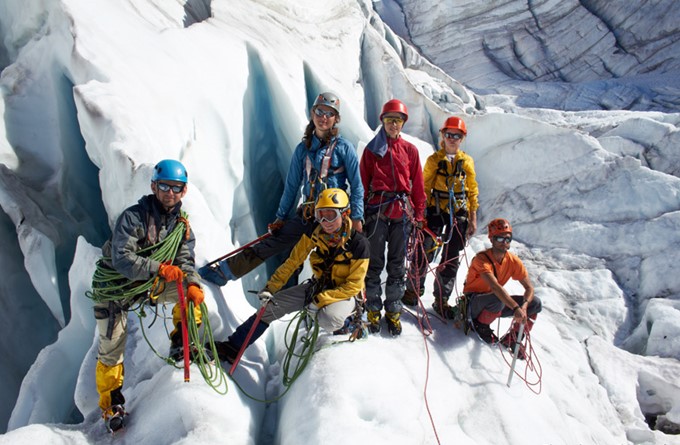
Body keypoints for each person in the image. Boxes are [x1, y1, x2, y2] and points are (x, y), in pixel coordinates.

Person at [199, 92, 364, 286]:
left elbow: (357, 185)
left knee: (339, 264)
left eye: (330, 113)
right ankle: (224, 272)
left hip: (335, 219)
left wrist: (356, 218)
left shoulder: (344, 148)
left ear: (336, 119)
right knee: (271, 244)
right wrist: (281, 217)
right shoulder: (302, 150)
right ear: (312, 113)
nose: (324, 118)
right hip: (309, 216)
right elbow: (292, 186)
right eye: (320, 111)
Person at [90, 159, 204, 431]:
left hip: (146, 286)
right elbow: (121, 258)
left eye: (176, 187)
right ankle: (112, 404)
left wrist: (192, 283)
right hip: (114, 290)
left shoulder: (181, 227)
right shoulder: (133, 217)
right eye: (164, 186)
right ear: (154, 186)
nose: (170, 192)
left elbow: (185, 260)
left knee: (188, 298)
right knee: (111, 349)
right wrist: (159, 269)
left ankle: (182, 344)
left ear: (184, 191)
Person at [212, 188, 369, 363]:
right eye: (320, 215)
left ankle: (351, 321)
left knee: (329, 318)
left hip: (346, 294)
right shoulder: (315, 233)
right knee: (270, 308)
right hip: (319, 286)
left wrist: (320, 300)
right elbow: (293, 261)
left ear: (345, 213)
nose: (325, 221)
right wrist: (271, 288)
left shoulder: (359, 244)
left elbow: (354, 285)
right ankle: (233, 347)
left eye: (330, 215)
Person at [359, 99, 426, 336]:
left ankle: (394, 311)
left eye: (397, 120)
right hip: (377, 211)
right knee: (374, 263)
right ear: (383, 122)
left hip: (401, 213)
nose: (393, 124)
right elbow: (362, 184)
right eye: (389, 120)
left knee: (397, 265)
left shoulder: (410, 151)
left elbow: (417, 184)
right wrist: (361, 213)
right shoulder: (371, 151)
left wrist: (419, 213)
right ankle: (374, 310)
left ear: (403, 123)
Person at [403, 116, 479, 318]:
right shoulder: (434, 161)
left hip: (459, 214)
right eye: (449, 134)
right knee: (423, 250)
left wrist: (473, 217)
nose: (452, 138)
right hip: (435, 212)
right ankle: (413, 290)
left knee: (451, 258)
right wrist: (420, 214)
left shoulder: (467, 162)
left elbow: (472, 191)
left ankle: (441, 299)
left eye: (457, 135)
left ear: (462, 138)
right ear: (443, 136)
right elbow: (423, 187)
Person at [462, 218, 542, 357]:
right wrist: (516, 308)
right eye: (499, 238)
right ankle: (481, 326)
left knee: (535, 304)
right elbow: (495, 287)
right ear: (491, 239)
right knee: (498, 299)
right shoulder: (481, 259)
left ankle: (514, 338)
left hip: (494, 302)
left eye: (508, 239)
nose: (504, 242)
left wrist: (524, 306)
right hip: (473, 302)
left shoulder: (512, 261)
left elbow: (529, 288)